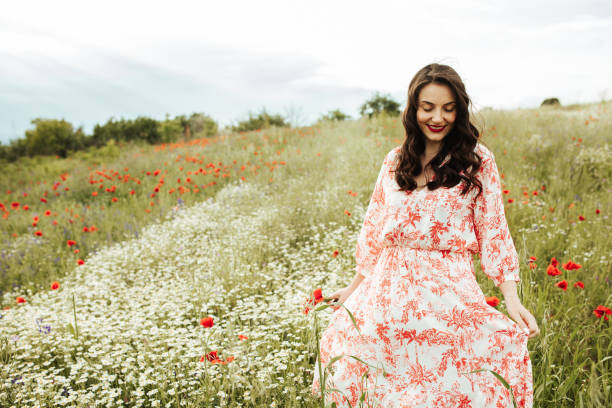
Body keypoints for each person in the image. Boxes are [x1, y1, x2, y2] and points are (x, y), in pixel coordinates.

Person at [311, 63, 539, 408]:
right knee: (377, 376)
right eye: (427, 107)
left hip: (447, 293)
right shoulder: (395, 161)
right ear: (413, 109)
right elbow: (374, 229)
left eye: (448, 109)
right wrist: (353, 287)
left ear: (459, 111)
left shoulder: (478, 161)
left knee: (447, 383)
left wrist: (511, 297)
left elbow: (494, 231)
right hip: (387, 293)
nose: (438, 117)